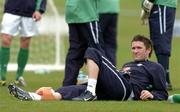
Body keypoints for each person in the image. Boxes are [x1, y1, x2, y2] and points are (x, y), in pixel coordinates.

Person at [8, 35, 168, 101]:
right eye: (133, 48)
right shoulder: (128, 64)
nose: (135, 51)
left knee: (92, 51)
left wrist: (152, 95)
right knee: (70, 90)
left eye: (139, 48)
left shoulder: (155, 67)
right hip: (111, 88)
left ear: (148, 50)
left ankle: (90, 91)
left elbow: (163, 92)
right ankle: (36, 97)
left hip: (126, 90)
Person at [0, 0, 47, 86]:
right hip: (11, 8)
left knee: (25, 42)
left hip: (30, 11)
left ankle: (19, 77)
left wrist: (39, 10)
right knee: (5, 39)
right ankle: (2, 76)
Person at [63, 0, 104, 86]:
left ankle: (67, 86)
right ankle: (104, 85)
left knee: (75, 53)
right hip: (86, 11)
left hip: (72, 10)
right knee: (97, 52)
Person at [140, 0, 177, 90]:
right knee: (158, 41)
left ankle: (164, 81)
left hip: (162, 4)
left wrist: (148, 1)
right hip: (160, 5)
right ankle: (164, 79)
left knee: (161, 40)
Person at [98, 0, 120, 65]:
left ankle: (97, 72)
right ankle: (111, 73)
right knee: (110, 45)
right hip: (113, 7)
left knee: (95, 44)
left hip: (100, 9)